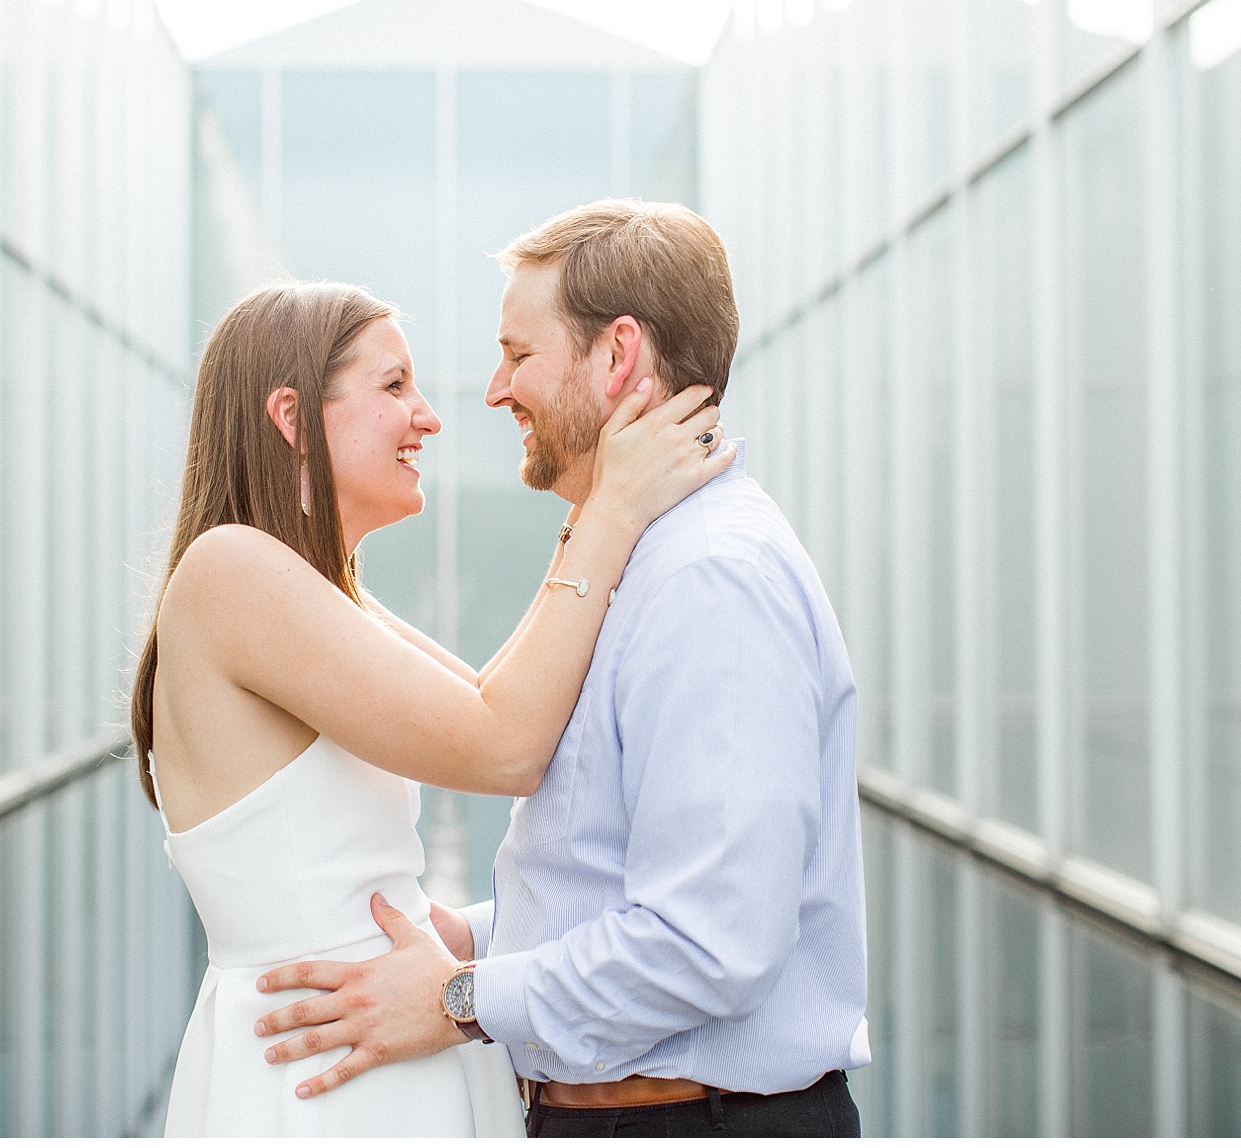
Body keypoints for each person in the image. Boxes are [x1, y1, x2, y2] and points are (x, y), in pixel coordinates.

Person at [255, 200, 871, 1137]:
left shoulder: (712, 581)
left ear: (616, 355)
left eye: (518, 352)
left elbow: (710, 943)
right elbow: (614, 874)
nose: (495, 389)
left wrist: (459, 998)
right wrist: (472, 938)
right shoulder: (640, 559)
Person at [133, 279, 729, 1136]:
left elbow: (501, 708)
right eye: (393, 386)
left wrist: (599, 505)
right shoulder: (232, 570)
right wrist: (612, 506)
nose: (429, 416)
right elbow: (504, 747)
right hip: (328, 1079)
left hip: (367, 1053)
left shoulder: (311, 590)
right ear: (293, 415)